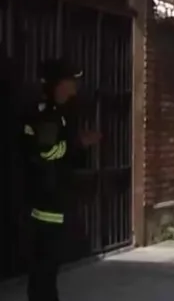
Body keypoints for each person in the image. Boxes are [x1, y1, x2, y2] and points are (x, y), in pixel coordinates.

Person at [23, 59, 100, 301]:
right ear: (60, 84)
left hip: (53, 198)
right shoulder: (49, 115)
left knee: (49, 267)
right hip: (47, 203)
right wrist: (79, 143)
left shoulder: (61, 113)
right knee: (44, 267)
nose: (76, 85)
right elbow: (47, 152)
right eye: (71, 80)